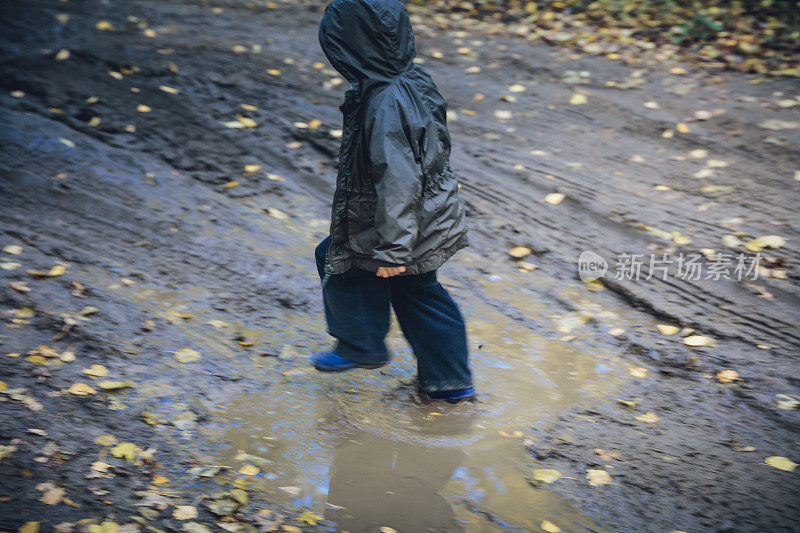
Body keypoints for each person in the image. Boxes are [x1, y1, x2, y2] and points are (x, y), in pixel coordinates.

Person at [312, 0, 474, 402]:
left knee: (340, 260)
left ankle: (362, 346)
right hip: (429, 211)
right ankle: (450, 380)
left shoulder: (384, 101)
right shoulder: (411, 78)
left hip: (403, 223)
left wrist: (393, 250)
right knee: (420, 293)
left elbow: (398, 181)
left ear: (350, 47)